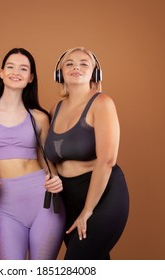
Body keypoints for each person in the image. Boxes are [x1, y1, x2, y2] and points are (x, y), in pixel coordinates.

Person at [0, 48, 65, 260]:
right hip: (6, 206)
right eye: (11, 67)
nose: (16, 72)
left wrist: (56, 178)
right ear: (1, 73)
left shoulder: (39, 117)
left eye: (24, 68)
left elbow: (47, 162)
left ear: (30, 77)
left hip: (44, 202)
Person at [44, 47, 129, 260]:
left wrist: (88, 210)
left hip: (102, 196)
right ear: (59, 73)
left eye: (84, 63)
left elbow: (107, 160)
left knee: (77, 263)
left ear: (95, 73)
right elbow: (49, 155)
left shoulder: (102, 103)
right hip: (68, 198)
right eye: (69, 63)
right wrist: (52, 176)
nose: (76, 67)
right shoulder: (55, 108)